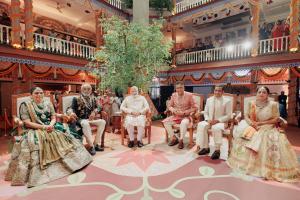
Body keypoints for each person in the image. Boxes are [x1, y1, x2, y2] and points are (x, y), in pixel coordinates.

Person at [5, 87, 92, 187]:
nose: (39, 95)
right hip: (34, 129)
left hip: (50, 126)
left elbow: (53, 116)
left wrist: (51, 124)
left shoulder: (48, 103)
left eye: (41, 93)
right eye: (36, 93)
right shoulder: (26, 105)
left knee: (64, 135)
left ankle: (72, 163)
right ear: (31, 95)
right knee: (37, 141)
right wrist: (44, 127)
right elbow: (27, 123)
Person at [227, 86, 300, 182]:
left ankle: (266, 167)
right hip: (254, 125)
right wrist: (251, 123)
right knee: (245, 136)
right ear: (256, 94)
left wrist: (261, 124)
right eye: (259, 92)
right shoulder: (251, 103)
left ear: (267, 95)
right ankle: (248, 164)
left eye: (264, 92)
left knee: (266, 138)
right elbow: (247, 116)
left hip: (268, 126)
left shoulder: (273, 104)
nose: (261, 94)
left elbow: (276, 119)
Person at [196, 85, 232, 160]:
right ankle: (205, 147)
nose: (217, 92)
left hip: (221, 122)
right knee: (201, 125)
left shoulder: (227, 101)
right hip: (210, 120)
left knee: (216, 127)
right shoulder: (209, 100)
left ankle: (217, 150)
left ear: (222, 92)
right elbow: (205, 112)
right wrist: (207, 119)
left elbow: (229, 115)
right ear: (214, 91)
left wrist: (218, 120)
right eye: (216, 90)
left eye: (219, 90)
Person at [72, 83, 106, 155]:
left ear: (91, 90)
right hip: (80, 120)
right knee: (85, 123)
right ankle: (91, 146)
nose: (86, 91)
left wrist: (94, 112)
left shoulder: (93, 98)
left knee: (102, 122)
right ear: (81, 90)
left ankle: (96, 144)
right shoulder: (76, 99)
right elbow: (71, 109)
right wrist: (72, 113)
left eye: (88, 89)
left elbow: (100, 107)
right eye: (84, 89)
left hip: (90, 120)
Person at [163, 81, 197, 149]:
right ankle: (174, 138)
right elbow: (170, 106)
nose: (179, 90)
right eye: (177, 88)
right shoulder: (173, 95)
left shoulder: (189, 95)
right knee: (165, 122)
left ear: (184, 88)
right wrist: (173, 110)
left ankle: (181, 140)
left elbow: (195, 107)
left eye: (181, 88)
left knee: (184, 123)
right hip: (176, 116)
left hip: (186, 116)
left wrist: (185, 112)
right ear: (176, 88)